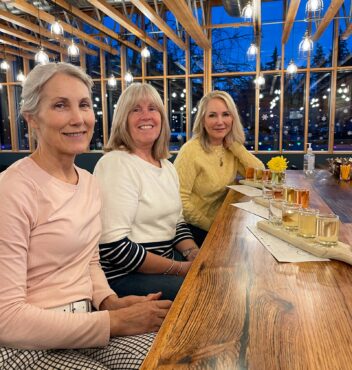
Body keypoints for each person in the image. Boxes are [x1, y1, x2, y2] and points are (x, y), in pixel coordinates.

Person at [0, 62, 172, 369]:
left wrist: (109, 301)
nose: (78, 119)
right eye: (60, 105)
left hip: (87, 320)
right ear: (32, 119)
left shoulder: (89, 183)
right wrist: (113, 322)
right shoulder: (13, 189)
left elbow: (89, 261)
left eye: (83, 105)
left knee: (174, 354)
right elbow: (8, 319)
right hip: (26, 342)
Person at [94, 83, 199, 301]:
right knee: (203, 292)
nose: (146, 116)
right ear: (123, 119)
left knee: (217, 274)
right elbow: (114, 248)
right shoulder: (115, 164)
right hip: (124, 276)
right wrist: (180, 268)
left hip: (164, 265)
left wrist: (193, 253)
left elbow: (176, 223)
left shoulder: (167, 167)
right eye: (135, 110)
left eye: (152, 108)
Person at [174, 90, 265, 246]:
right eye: (212, 115)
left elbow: (261, 175)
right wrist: (212, 226)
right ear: (202, 120)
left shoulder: (230, 147)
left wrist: (235, 146)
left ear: (233, 118)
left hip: (221, 220)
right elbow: (180, 202)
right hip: (193, 228)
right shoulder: (190, 151)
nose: (220, 121)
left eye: (225, 114)